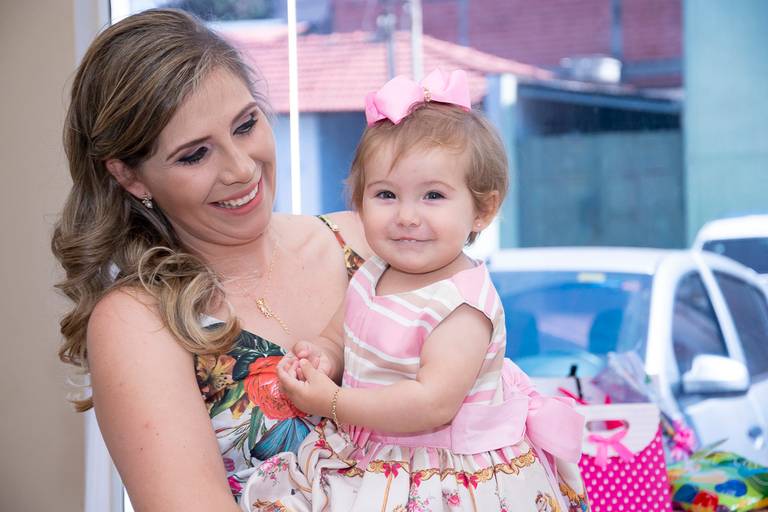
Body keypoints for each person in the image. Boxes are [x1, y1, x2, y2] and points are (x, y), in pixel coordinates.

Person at [51, 9, 370, 511]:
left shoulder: (363, 241)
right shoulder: (140, 322)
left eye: (246, 125)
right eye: (195, 155)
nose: (241, 169)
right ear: (130, 177)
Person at [239, 70, 591, 512]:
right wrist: (323, 357)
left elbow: (431, 404)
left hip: (445, 475)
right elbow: (341, 335)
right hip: (374, 454)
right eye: (386, 195)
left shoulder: (462, 306)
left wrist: (333, 402)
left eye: (433, 196)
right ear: (359, 201)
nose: (406, 216)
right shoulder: (373, 271)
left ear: (482, 210)